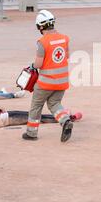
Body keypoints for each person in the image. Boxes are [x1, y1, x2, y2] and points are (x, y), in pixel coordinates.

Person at [22, 10, 74, 142]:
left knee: (36, 106)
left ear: (40, 27)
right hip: (62, 82)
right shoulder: (64, 38)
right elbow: (67, 56)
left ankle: (31, 133)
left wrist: (32, 66)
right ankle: (65, 120)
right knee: (54, 103)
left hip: (45, 82)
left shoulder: (42, 42)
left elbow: (38, 64)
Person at [0, 107, 82, 133]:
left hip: (8, 114)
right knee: (39, 118)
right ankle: (67, 118)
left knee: (37, 115)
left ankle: (63, 116)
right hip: (11, 119)